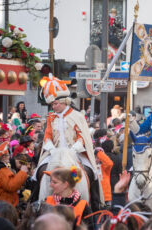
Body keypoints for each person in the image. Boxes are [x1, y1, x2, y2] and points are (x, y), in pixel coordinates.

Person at [34, 74, 103, 211]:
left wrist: (74, 149)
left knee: (92, 172)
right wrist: (52, 148)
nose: (53, 107)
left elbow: (82, 137)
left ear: (64, 101)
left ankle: (96, 204)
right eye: (52, 104)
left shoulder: (77, 116)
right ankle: (35, 201)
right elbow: (47, 135)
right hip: (54, 151)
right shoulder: (51, 117)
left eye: (55, 104)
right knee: (38, 172)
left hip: (75, 152)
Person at [0, 142, 28, 207]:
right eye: (8, 155)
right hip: (5, 203)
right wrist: (22, 172)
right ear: (3, 157)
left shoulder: (1, 168)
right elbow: (11, 186)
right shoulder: (2, 170)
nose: (9, 157)